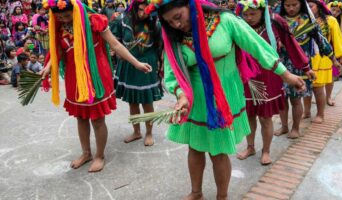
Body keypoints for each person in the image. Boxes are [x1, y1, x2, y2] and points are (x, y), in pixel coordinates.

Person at [146, 0, 305, 199]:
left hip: (223, 98)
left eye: (178, 17)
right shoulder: (173, 37)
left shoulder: (225, 21)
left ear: (192, 5)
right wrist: (181, 95)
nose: (176, 25)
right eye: (170, 22)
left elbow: (256, 46)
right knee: (194, 147)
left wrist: (286, 74)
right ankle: (196, 192)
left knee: (218, 151)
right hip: (194, 99)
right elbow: (172, 72)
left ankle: (222, 196)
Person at [41, 0, 152, 172]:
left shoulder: (94, 21)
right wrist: (48, 67)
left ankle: (100, 155)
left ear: (76, 10)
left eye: (66, 15)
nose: (63, 19)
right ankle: (86, 153)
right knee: (81, 117)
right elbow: (59, 50)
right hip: (74, 77)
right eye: (60, 17)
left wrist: (136, 63)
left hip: (96, 76)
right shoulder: (60, 27)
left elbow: (115, 44)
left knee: (97, 118)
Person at [235, 0, 313, 165]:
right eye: (246, 14)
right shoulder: (238, 25)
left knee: (265, 117)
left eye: (253, 14)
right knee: (248, 114)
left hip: (269, 76)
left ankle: (266, 150)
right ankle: (250, 147)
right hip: (246, 77)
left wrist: (306, 67)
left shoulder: (276, 22)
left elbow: (292, 45)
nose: (248, 18)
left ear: (262, 11)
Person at [275, 0, 335, 137]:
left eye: (294, 5)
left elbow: (321, 40)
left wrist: (333, 58)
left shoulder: (308, 21)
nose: (291, 8)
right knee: (282, 99)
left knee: (296, 99)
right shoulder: (277, 21)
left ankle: (295, 128)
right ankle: (284, 126)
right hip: (281, 65)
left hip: (301, 67)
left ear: (301, 4)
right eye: (287, 5)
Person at [110, 0, 163, 146]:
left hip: (147, 64)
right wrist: (115, 49)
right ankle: (136, 132)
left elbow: (160, 45)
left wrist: (160, 63)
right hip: (128, 64)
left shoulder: (154, 22)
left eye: (146, 11)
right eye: (140, 10)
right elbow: (114, 38)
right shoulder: (122, 20)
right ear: (133, 8)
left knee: (147, 101)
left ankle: (149, 133)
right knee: (132, 101)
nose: (143, 14)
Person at [303, 0, 342, 120]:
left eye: (311, 6)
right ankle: (306, 112)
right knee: (305, 87)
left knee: (318, 89)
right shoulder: (302, 19)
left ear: (318, 7)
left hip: (323, 59)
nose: (308, 8)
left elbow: (337, 39)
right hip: (306, 59)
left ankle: (320, 114)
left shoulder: (330, 20)